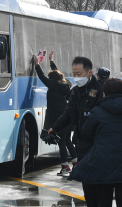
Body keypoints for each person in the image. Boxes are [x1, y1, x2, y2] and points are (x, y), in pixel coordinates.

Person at [48, 56, 103, 207]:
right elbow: (68, 113)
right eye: (74, 73)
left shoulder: (99, 90)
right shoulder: (75, 91)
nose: (76, 77)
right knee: (87, 184)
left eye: (79, 74)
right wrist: (55, 128)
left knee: (99, 183)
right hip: (82, 144)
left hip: (97, 143)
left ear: (89, 73)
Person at [68, 78, 122, 207]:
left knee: (103, 199)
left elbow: (86, 133)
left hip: (103, 163)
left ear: (104, 93)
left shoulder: (98, 110)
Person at [34, 50, 77, 176]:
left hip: (57, 118)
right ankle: (76, 164)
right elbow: (57, 74)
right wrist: (51, 61)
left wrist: (37, 64)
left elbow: (42, 77)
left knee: (61, 142)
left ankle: (65, 168)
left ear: (51, 80)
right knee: (67, 141)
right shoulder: (65, 84)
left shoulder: (52, 85)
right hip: (66, 116)